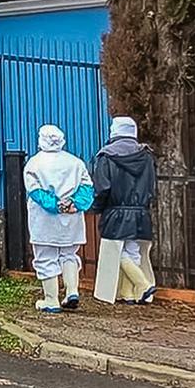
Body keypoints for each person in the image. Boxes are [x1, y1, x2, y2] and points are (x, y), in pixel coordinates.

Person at [22, 125, 94, 312]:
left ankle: (51, 299)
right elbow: (87, 188)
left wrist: (56, 205)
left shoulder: (34, 164)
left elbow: (36, 192)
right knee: (69, 254)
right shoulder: (76, 163)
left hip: (44, 221)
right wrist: (74, 204)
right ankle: (72, 290)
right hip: (72, 220)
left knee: (45, 258)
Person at [92, 116, 158, 304]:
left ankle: (143, 285)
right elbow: (152, 186)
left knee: (117, 252)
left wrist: (97, 207)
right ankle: (127, 293)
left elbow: (102, 188)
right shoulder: (146, 156)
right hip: (140, 212)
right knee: (133, 250)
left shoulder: (107, 156)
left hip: (116, 211)